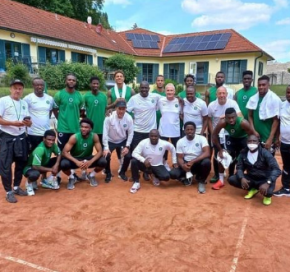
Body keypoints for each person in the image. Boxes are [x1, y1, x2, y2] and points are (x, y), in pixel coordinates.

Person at [0, 79, 32, 203]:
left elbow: (28, 122)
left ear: (22, 90)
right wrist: (13, 123)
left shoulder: (24, 103)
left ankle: (17, 186)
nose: (17, 91)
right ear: (10, 89)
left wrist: (28, 123)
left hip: (21, 136)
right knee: (6, 165)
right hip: (7, 137)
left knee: (21, 163)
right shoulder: (3, 101)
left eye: (20, 88)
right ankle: (8, 192)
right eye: (15, 88)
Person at [228, 135, 281, 206]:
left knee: (268, 192)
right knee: (232, 179)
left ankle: (266, 195)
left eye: (254, 141)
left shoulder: (265, 153)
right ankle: (253, 188)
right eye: (249, 141)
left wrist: (268, 182)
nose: (251, 143)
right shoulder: (243, 153)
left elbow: (277, 170)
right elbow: (239, 167)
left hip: (265, 179)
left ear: (258, 143)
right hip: (251, 178)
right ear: (247, 142)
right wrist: (242, 178)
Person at [212, 108, 254, 190]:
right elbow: (214, 135)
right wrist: (220, 149)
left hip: (243, 139)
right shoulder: (222, 122)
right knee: (222, 156)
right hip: (232, 139)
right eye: (229, 118)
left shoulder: (243, 122)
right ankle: (221, 180)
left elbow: (252, 136)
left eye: (233, 117)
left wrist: (247, 149)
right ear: (225, 118)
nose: (231, 120)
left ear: (236, 116)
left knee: (243, 159)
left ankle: (246, 179)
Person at [60, 118, 107, 190]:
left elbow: (100, 151)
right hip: (76, 159)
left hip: (88, 158)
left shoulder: (94, 136)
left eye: (86, 127)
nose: (83, 129)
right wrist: (77, 162)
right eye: (82, 127)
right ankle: (72, 177)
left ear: (91, 128)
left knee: (103, 161)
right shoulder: (74, 137)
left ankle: (91, 175)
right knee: (63, 164)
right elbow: (64, 152)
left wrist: (90, 161)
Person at [208, 86, 241, 184]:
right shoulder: (211, 105)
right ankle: (217, 174)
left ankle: (231, 174)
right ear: (216, 95)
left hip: (230, 132)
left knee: (231, 153)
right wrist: (212, 131)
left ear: (227, 94)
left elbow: (240, 115)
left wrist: (226, 117)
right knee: (217, 153)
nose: (222, 95)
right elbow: (209, 119)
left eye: (223, 93)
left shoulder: (232, 103)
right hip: (217, 133)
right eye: (220, 93)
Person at [130, 129, 178, 193]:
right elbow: (134, 153)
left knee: (166, 177)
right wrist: (144, 160)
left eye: (155, 136)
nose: (153, 138)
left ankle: (153, 175)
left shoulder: (163, 143)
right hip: (146, 165)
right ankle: (136, 182)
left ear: (158, 136)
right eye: (152, 136)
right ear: (149, 136)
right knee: (134, 161)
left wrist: (174, 162)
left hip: (157, 165)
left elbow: (172, 148)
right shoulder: (143, 142)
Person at [171, 121, 211, 193]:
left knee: (207, 162)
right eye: (188, 129)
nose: (190, 131)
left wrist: (193, 161)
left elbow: (207, 153)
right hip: (187, 163)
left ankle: (201, 181)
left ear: (195, 130)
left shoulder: (201, 138)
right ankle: (186, 177)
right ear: (184, 130)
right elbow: (179, 158)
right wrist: (183, 166)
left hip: (197, 162)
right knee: (173, 174)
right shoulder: (180, 141)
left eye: (191, 129)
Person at [106, 70, 135, 170]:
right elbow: (107, 107)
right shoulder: (110, 91)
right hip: (115, 118)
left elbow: (135, 104)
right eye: (117, 76)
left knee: (127, 140)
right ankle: (120, 161)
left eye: (121, 76)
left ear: (124, 78)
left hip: (127, 118)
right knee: (117, 140)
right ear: (114, 78)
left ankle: (126, 161)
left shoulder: (130, 91)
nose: (119, 78)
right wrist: (114, 103)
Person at [247, 75, 281, 154]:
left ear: (269, 85)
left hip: (268, 139)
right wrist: (253, 131)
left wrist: (270, 138)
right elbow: (250, 116)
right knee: (254, 162)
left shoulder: (275, 99)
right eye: (259, 85)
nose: (261, 87)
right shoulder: (253, 99)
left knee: (267, 163)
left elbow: (276, 120)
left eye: (263, 85)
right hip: (255, 137)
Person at [102, 100, 134, 182]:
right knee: (106, 156)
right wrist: (106, 147)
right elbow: (105, 133)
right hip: (110, 140)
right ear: (116, 108)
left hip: (122, 140)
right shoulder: (109, 117)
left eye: (123, 109)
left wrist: (127, 146)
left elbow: (131, 133)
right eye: (119, 109)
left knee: (128, 156)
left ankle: (122, 172)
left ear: (126, 109)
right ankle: (108, 173)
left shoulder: (129, 118)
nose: (121, 111)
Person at [23, 130, 61, 195]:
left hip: (42, 164)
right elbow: (35, 166)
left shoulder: (53, 145)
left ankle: (46, 181)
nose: (51, 142)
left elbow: (59, 154)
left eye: (53, 140)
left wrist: (56, 165)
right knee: (35, 174)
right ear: (44, 139)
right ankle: (29, 184)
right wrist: (52, 169)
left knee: (61, 161)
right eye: (49, 140)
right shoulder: (40, 149)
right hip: (31, 168)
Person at [127, 81, 161, 151]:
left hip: (151, 132)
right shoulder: (134, 98)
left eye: (146, 88)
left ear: (149, 89)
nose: (144, 90)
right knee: (136, 152)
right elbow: (127, 111)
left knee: (150, 152)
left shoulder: (155, 97)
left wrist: (177, 99)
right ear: (139, 89)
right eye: (142, 88)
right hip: (137, 131)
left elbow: (167, 99)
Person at [53, 73, 84, 150]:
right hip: (62, 128)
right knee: (61, 151)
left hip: (75, 129)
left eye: (73, 80)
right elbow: (54, 109)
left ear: (75, 82)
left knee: (75, 152)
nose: (71, 81)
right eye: (69, 80)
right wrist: (60, 119)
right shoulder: (59, 94)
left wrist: (75, 117)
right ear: (65, 81)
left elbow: (82, 111)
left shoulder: (79, 95)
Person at [23, 77, 54, 152]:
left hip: (46, 133)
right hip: (33, 133)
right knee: (33, 154)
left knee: (45, 153)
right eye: (37, 85)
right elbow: (24, 115)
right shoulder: (27, 98)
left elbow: (49, 112)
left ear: (44, 86)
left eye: (41, 85)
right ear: (33, 86)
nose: (40, 87)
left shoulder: (50, 99)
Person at [158, 83, 181, 170]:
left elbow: (182, 114)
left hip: (175, 130)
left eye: (171, 90)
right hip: (163, 129)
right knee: (164, 148)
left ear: (174, 91)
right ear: (165, 91)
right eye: (168, 90)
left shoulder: (179, 101)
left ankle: (177, 164)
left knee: (176, 148)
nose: (169, 92)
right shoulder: (161, 101)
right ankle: (164, 163)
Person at [273, 85, 290, 197]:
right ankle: (286, 188)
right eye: (288, 92)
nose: (289, 94)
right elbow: (278, 122)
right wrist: (277, 138)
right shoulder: (282, 106)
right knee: (286, 166)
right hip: (285, 142)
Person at [83, 76, 107, 148]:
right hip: (89, 129)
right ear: (90, 84)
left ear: (99, 84)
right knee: (87, 150)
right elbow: (81, 111)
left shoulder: (103, 96)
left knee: (102, 150)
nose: (95, 85)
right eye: (94, 83)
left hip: (101, 129)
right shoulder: (85, 96)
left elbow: (106, 109)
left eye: (97, 84)